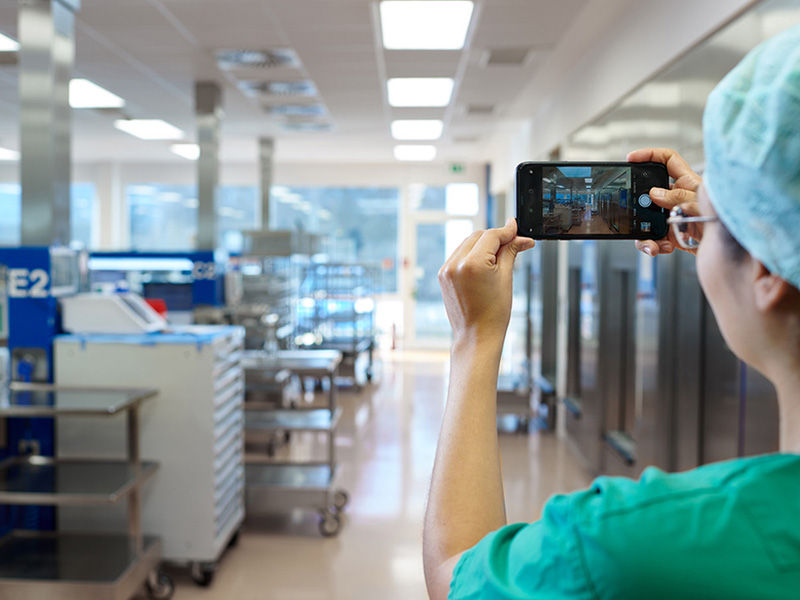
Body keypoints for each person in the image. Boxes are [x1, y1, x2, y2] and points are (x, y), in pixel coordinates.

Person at [423, 23, 800, 600]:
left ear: (768, 273)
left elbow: (456, 573)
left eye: (710, 225)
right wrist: (717, 220)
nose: (695, 238)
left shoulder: (624, 547)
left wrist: (474, 338)